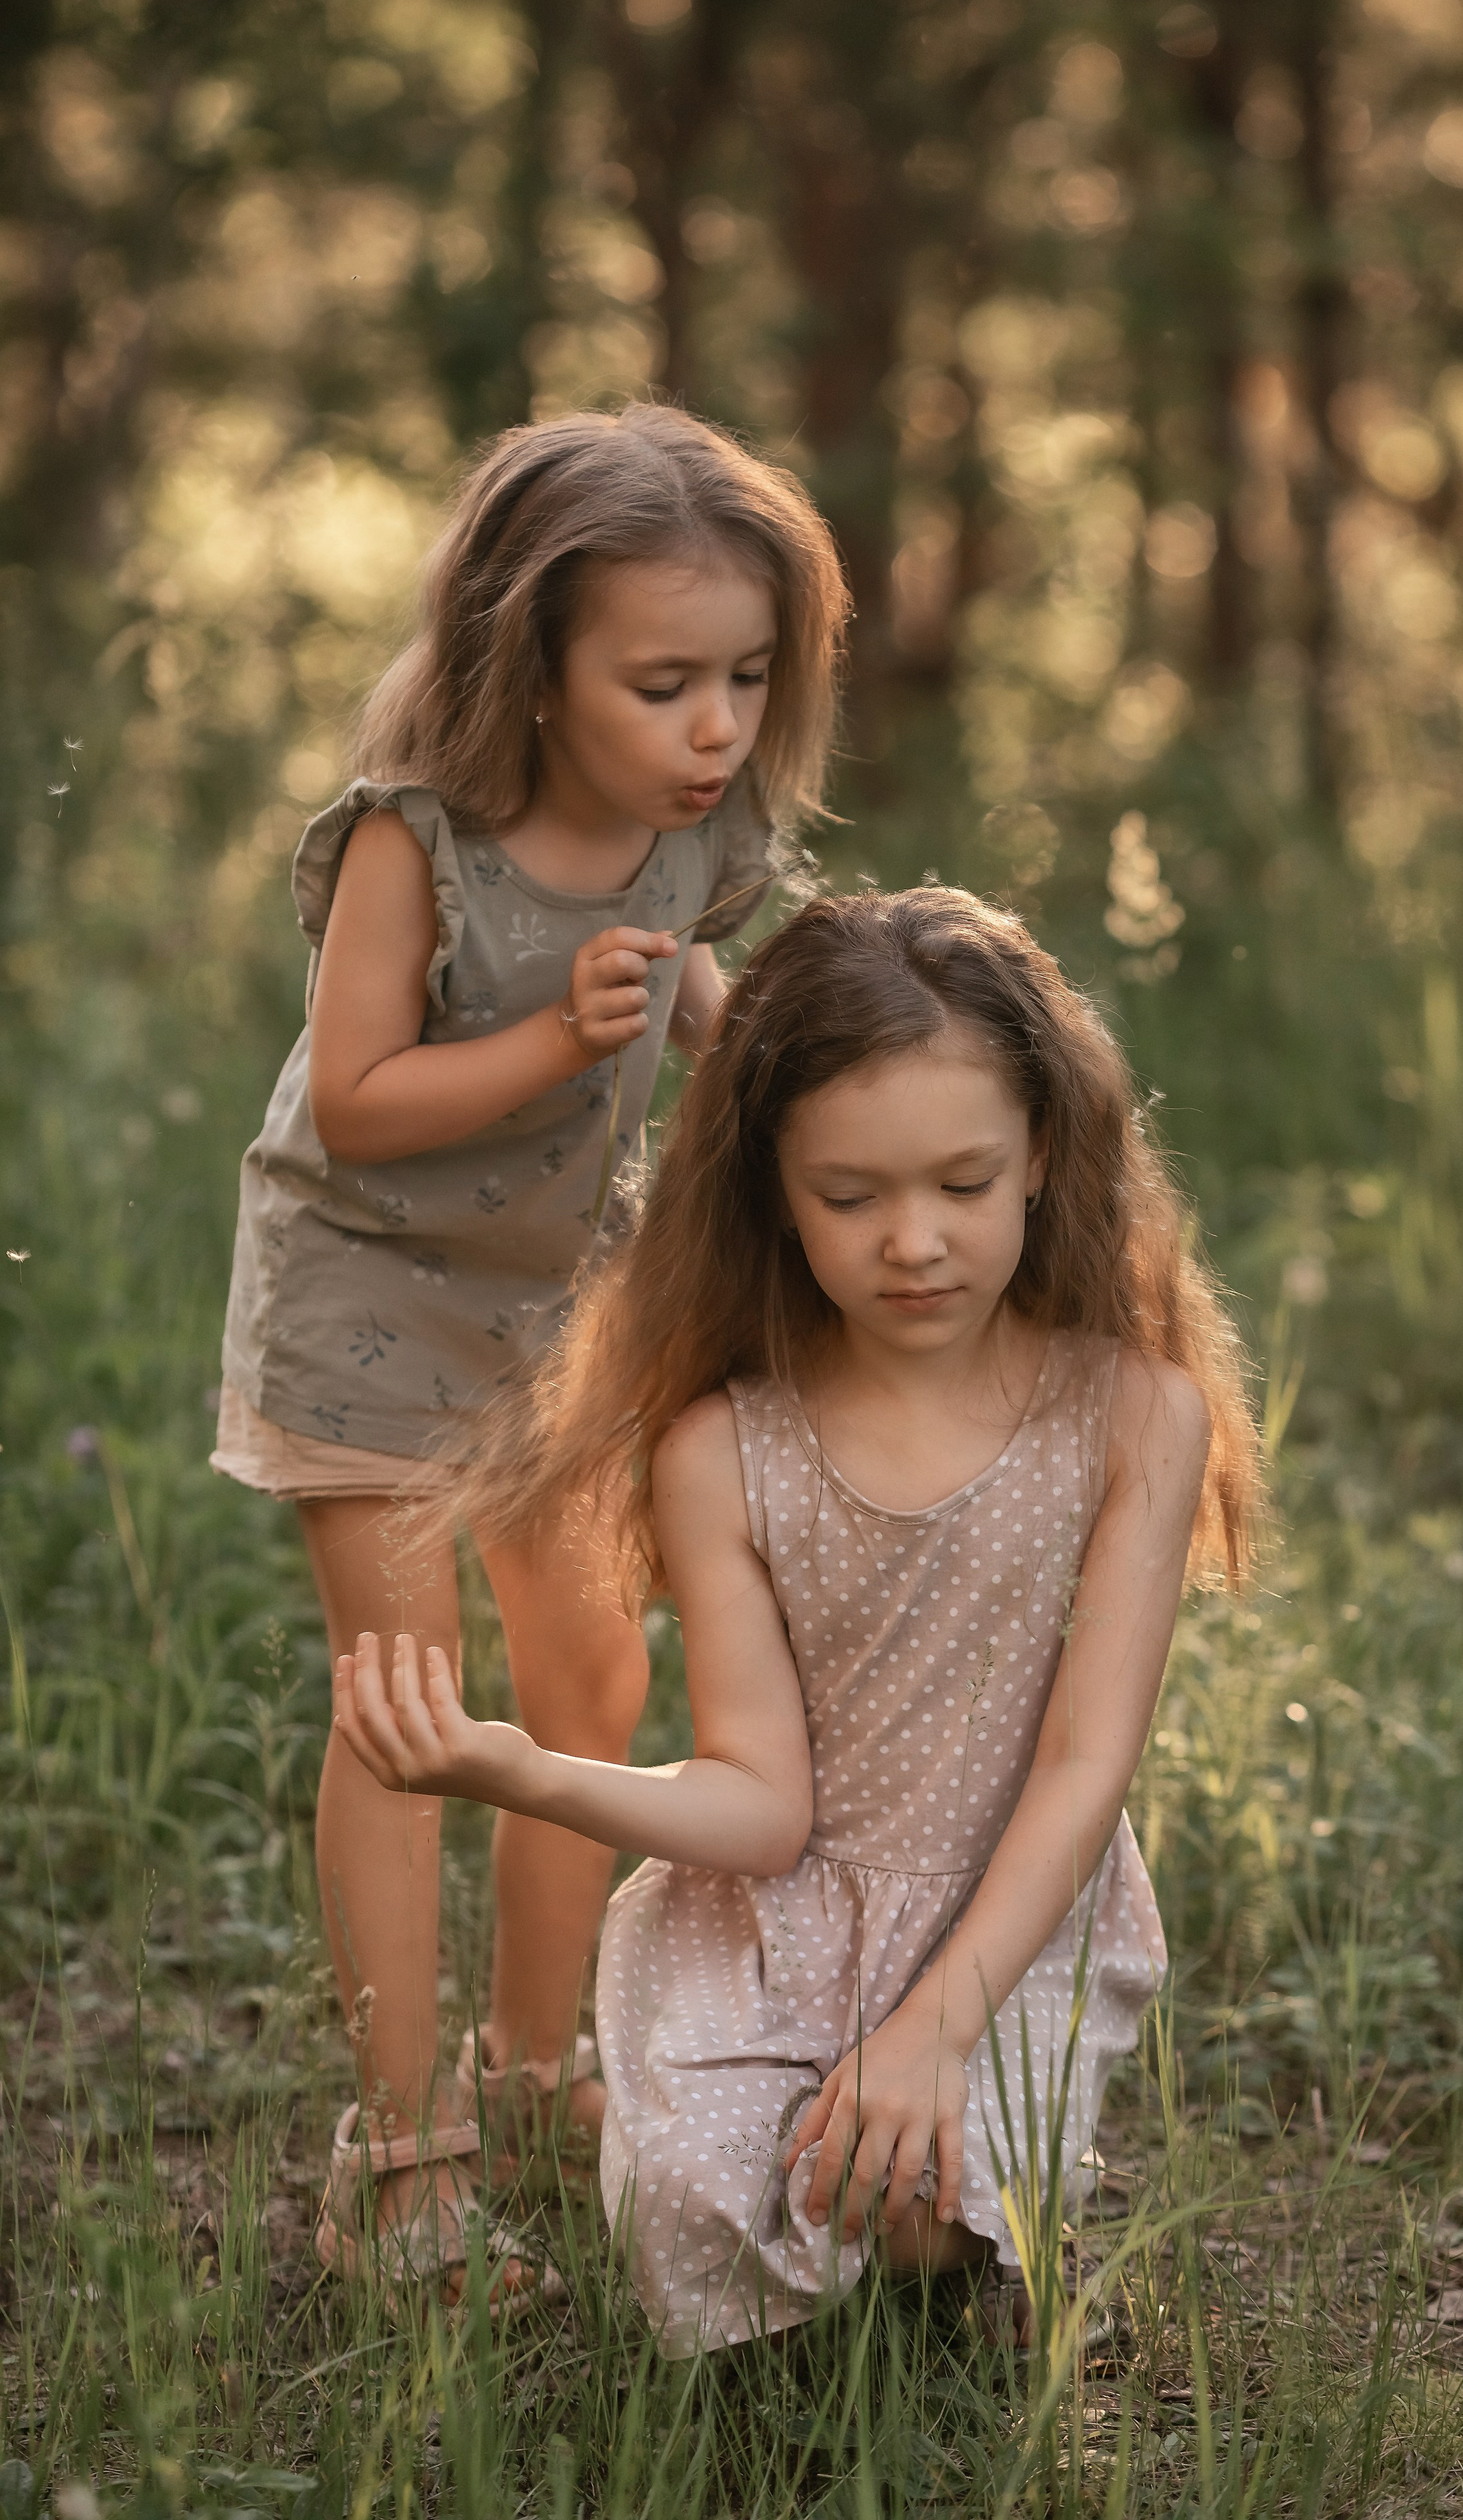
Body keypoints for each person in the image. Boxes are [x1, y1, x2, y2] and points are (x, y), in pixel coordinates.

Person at [333, 886, 1261, 2352]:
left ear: (1040, 1160)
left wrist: (935, 2027)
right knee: (717, 2213)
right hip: (776, 1926)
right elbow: (760, 1807)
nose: (912, 1242)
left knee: (899, 2197)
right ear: (772, 1186)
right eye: (850, 1196)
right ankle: (931, 2204)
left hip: (1005, 1916)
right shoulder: (724, 1453)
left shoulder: (1129, 1418)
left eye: (962, 1185)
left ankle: (988, 2218)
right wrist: (515, 1770)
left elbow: (1085, 1769)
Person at [211, 402, 849, 2306]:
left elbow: (693, 995)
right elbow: (357, 1098)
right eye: (665, 683)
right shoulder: (423, 844)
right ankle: (398, 2161)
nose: (717, 727)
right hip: (366, 1302)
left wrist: (737, 1046)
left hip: (560, 1313)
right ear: (529, 661)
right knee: (406, 1705)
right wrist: (565, 1041)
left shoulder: (693, 830)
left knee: (587, 1661)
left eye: (746, 677)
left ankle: (539, 2067)